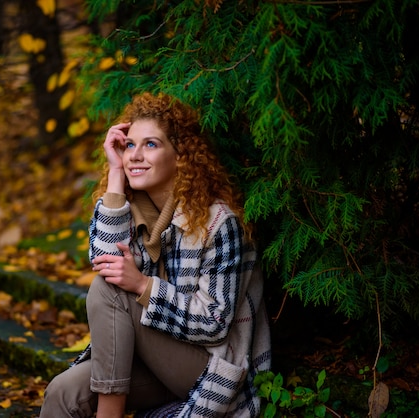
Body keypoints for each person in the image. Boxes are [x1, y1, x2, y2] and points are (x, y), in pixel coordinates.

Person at [39, 92, 271, 418]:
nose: (135, 155)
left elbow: (215, 323)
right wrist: (115, 174)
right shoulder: (135, 212)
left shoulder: (218, 223)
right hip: (153, 361)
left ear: (181, 156)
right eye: (129, 145)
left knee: (109, 288)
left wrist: (143, 286)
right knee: (63, 392)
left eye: (150, 144)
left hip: (207, 367)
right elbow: (105, 260)